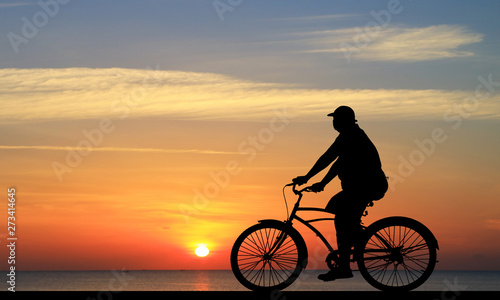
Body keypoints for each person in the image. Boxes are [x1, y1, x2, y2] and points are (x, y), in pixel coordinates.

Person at [293, 105, 388, 281]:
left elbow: (329, 158)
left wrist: (309, 178)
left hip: (366, 187)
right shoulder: (349, 136)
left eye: (336, 119)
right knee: (341, 217)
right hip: (360, 187)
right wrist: (319, 182)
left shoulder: (352, 136)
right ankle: (355, 243)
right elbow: (336, 162)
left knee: (342, 220)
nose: (334, 123)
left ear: (344, 121)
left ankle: (346, 264)